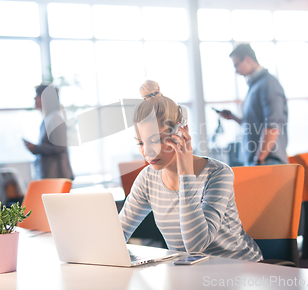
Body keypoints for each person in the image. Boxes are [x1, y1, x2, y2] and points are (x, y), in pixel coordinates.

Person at [118, 80, 262, 261]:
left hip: (240, 268)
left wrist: (186, 173)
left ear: (179, 132)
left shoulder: (218, 174)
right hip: (191, 273)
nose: (147, 152)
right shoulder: (147, 179)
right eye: (140, 143)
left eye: (156, 140)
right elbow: (117, 236)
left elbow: (195, 246)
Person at [218, 43, 288, 166]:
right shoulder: (255, 86)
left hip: (268, 162)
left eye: (236, 65)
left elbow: (273, 125)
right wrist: (233, 118)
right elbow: (254, 124)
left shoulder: (268, 84)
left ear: (248, 59)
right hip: (258, 161)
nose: (236, 71)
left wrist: (259, 159)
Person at [23, 84, 73, 180]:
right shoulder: (48, 118)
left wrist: (36, 148)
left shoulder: (55, 117)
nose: (34, 99)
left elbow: (60, 147)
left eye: (37, 96)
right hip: (51, 175)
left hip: (57, 176)